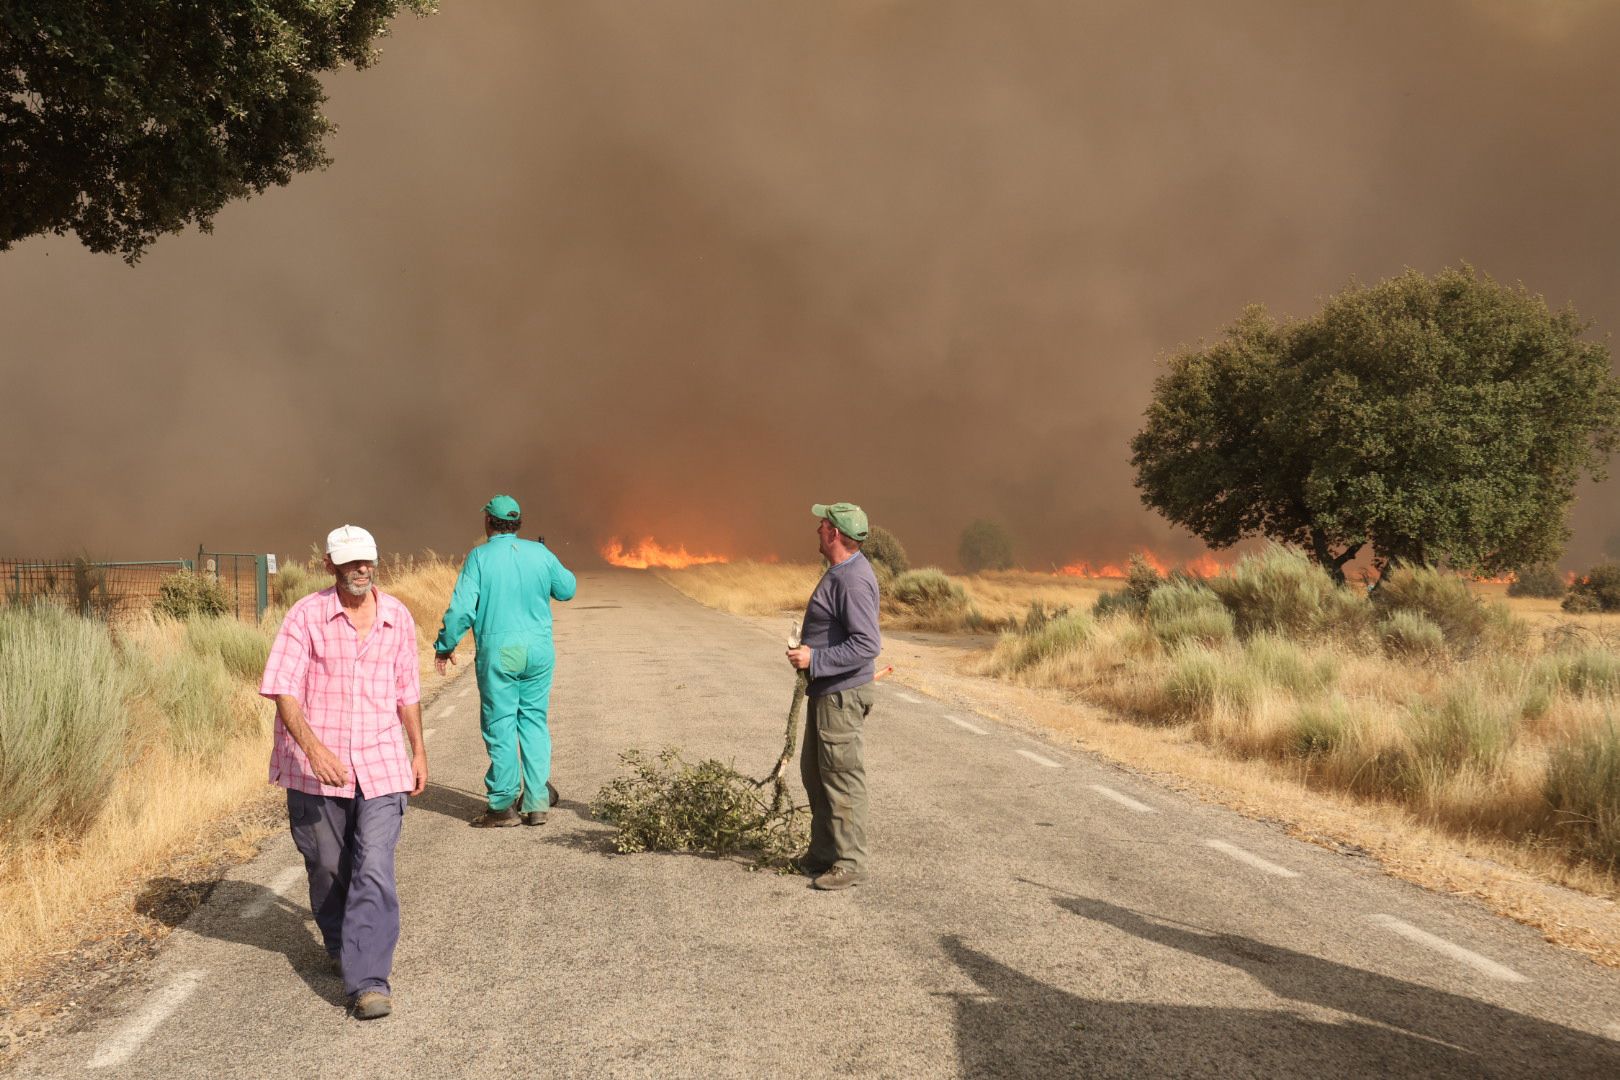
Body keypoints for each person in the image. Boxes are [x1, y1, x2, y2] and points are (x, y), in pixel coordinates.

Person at [259, 525, 427, 1021]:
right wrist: (312, 749)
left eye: (368, 561)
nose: (362, 570)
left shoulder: (397, 616)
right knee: (329, 867)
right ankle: (341, 944)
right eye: (351, 562)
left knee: (373, 864)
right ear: (330, 565)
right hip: (317, 772)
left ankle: (369, 980)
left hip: (380, 763)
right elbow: (283, 688)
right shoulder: (306, 616)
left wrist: (418, 750)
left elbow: (408, 691)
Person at [434, 495, 577, 827]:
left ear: (488, 521)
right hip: (539, 652)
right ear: (518, 523)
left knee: (500, 723)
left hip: (500, 653)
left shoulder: (479, 558)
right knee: (533, 721)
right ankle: (537, 800)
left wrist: (445, 645)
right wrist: (545, 564)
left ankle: (502, 805)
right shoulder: (540, 553)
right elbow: (567, 589)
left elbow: (461, 610)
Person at [786, 502, 883, 891]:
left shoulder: (852, 580)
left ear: (836, 535)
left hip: (841, 697)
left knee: (842, 778)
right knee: (816, 773)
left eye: (823, 525)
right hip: (827, 693)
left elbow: (867, 644)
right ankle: (824, 851)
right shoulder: (841, 572)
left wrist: (816, 657)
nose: (817, 530)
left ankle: (850, 861)